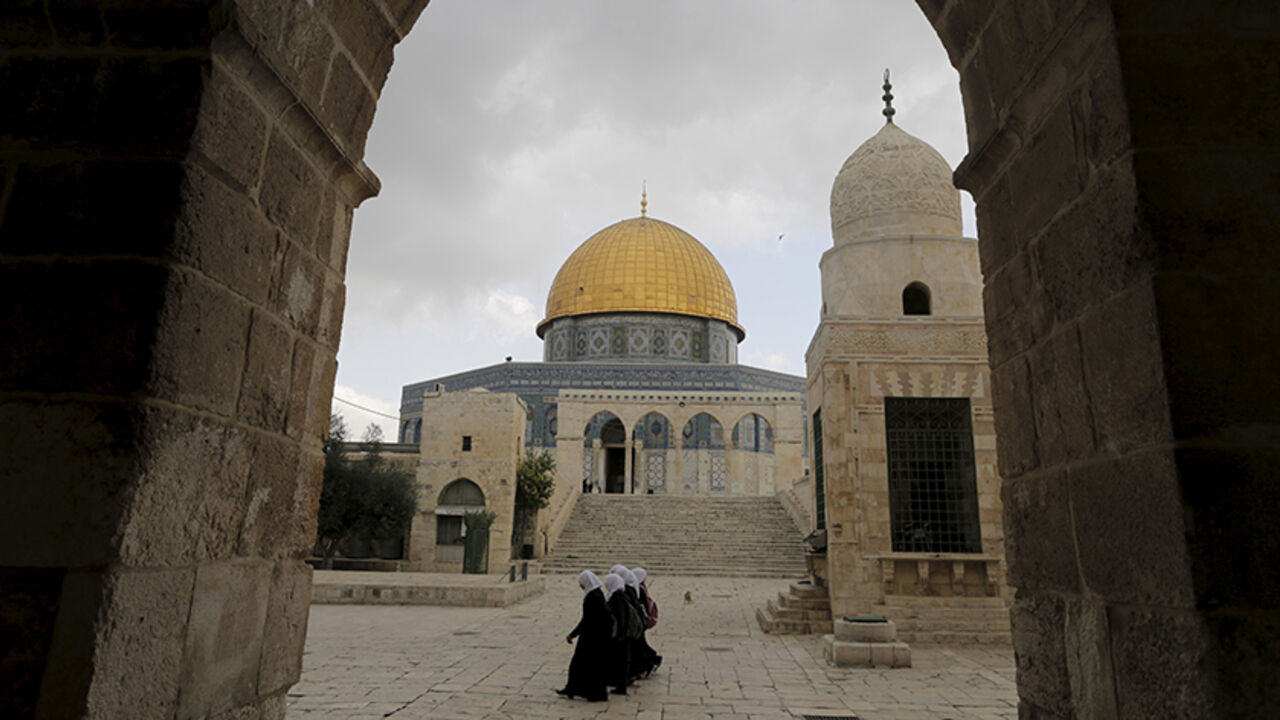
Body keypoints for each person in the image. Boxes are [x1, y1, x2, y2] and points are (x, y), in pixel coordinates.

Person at [556, 570, 610, 702]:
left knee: (579, 664)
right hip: (596, 635)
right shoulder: (597, 594)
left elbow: (587, 620)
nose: (580, 586)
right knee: (590, 665)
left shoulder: (592, 597)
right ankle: (580, 690)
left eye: (581, 583)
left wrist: (572, 635)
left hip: (591, 637)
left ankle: (579, 690)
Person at [613, 565, 660, 679]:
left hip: (635, 623)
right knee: (639, 645)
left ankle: (648, 663)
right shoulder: (635, 587)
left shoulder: (633, 589)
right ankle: (649, 663)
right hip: (637, 622)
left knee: (638, 646)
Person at [602, 573, 632, 695]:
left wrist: (619, 634)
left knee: (619, 662)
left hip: (619, 636)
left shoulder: (617, 598)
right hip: (621, 636)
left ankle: (620, 686)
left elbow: (620, 618)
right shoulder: (620, 595)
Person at [633, 567, 663, 675]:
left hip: (638, 621)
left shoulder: (638, 588)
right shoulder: (641, 587)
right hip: (640, 620)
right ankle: (652, 660)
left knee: (639, 644)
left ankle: (651, 661)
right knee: (640, 644)